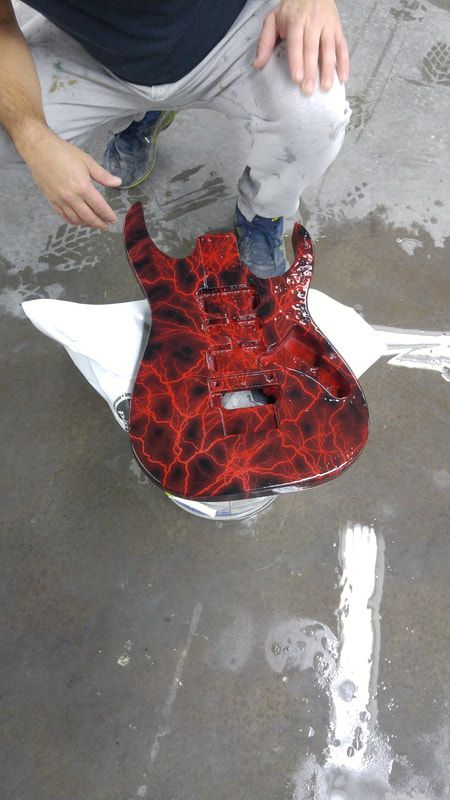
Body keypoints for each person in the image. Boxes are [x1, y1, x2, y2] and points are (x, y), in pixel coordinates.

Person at [0, 0, 350, 277]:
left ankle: (262, 214)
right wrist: (35, 138)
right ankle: (148, 110)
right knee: (9, 132)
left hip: (231, 30)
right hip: (94, 48)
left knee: (317, 118)